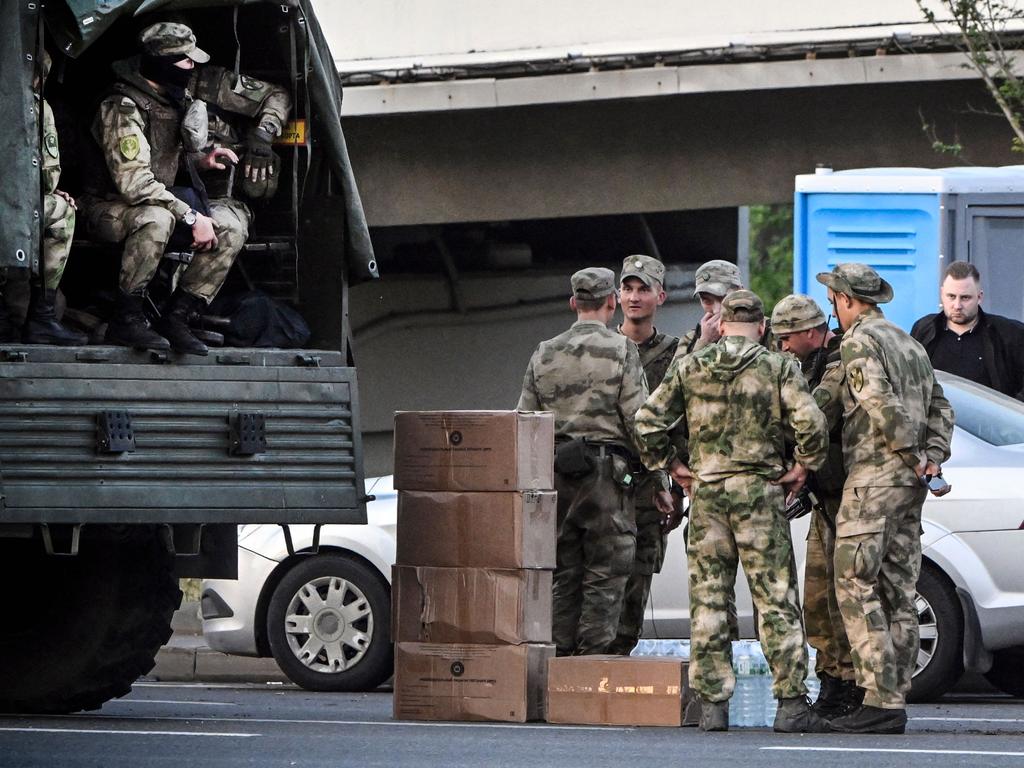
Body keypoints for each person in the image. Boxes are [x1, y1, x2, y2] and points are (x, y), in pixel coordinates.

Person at [634, 289, 829, 733]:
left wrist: (675, 466)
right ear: (762, 327)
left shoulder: (690, 365)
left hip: (708, 495)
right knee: (776, 599)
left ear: (721, 324)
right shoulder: (778, 366)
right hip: (760, 493)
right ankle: (792, 706)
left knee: (708, 600)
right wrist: (802, 467)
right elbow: (812, 424)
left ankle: (712, 707)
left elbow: (646, 422)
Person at [84, 22, 291, 355]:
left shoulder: (171, 97)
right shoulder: (122, 106)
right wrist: (192, 217)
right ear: (163, 63)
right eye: (186, 61)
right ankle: (127, 318)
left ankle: (177, 316)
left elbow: (164, 164)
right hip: (109, 207)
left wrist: (203, 161)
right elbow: (134, 182)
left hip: (158, 200)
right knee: (157, 220)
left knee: (231, 226)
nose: (193, 68)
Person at [816, 263, 954, 735]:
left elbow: (876, 401)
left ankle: (878, 696)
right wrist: (931, 458)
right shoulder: (910, 343)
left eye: (835, 299)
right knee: (899, 590)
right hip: (911, 486)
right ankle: (893, 697)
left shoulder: (859, 341)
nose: (833, 306)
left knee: (854, 581)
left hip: (874, 479)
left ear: (849, 300)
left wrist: (912, 453)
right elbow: (941, 405)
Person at [517, 267, 647, 656]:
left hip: (555, 476)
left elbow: (525, 421)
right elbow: (639, 420)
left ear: (574, 303)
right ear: (612, 302)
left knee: (563, 576)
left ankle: (556, 670)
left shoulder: (544, 352)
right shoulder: (623, 350)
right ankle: (592, 671)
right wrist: (658, 476)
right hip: (607, 478)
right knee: (605, 576)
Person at [771, 294, 858, 718]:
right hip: (824, 498)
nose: (783, 346)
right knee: (819, 600)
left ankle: (852, 684)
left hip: (849, 498)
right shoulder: (804, 362)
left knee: (846, 598)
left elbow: (818, 412)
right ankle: (832, 680)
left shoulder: (841, 358)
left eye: (788, 337)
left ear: (810, 332)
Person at [607, 255, 681, 656]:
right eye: (628, 288)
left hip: (650, 481)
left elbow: (681, 423)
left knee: (638, 577)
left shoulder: (674, 354)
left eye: (643, 289)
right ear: (617, 295)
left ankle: (619, 655)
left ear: (660, 296)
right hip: (602, 483)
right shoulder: (602, 350)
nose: (634, 297)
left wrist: (674, 485)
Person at [4, 49, 88, 346]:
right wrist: (47, 193)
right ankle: (41, 319)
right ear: (37, 78)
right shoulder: (36, 108)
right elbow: (48, 175)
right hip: (12, 207)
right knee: (62, 211)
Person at [911, 260, 1024, 401]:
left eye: (965, 298)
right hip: (935, 420)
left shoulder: (1008, 334)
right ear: (942, 294)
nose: (957, 305)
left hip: (988, 421)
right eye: (951, 296)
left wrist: (1011, 414)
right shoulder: (924, 329)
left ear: (979, 297)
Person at [673, 259, 774, 359]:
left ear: (740, 291)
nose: (717, 310)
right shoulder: (691, 339)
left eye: (723, 298)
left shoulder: (771, 331)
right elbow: (676, 374)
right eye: (707, 300)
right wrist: (704, 342)